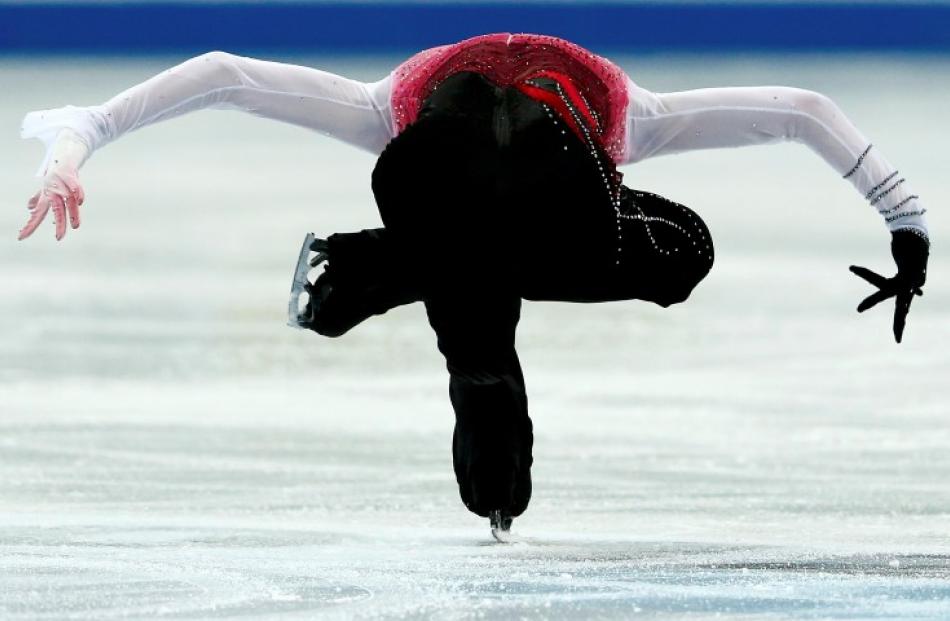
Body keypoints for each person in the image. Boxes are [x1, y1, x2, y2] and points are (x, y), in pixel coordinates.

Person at [19, 33, 930, 537]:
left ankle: (369, 271)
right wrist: (907, 223)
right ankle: (390, 272)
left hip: (443, 178)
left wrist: (77, 141)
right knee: (681, 248)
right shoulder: (632, 117)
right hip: (542, 174)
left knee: (479, 331)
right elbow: (803, 111)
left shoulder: (386, 105)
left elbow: (222, 76)